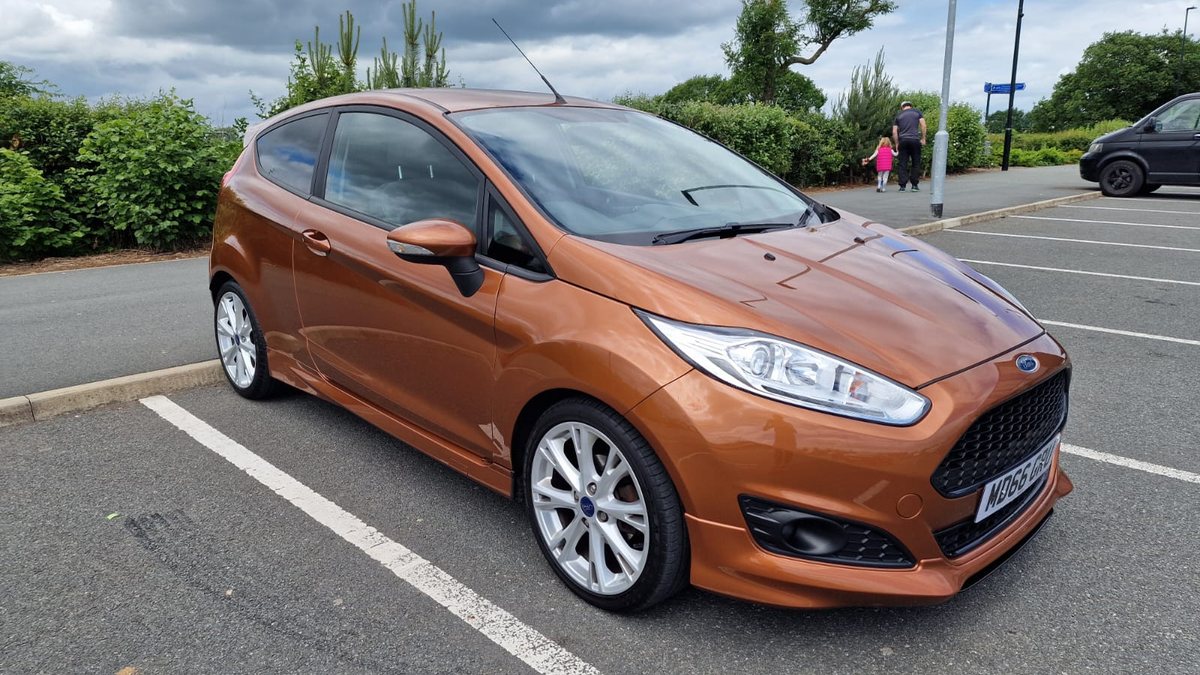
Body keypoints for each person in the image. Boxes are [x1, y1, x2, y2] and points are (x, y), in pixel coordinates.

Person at [891, 101, 927, 192]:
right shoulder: (917, 112)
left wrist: (897, 143)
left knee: (902, 163)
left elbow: (894, 132)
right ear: (911, 106)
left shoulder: (898, 115)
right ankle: (914, 185)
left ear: (902, 107)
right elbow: (923, 125)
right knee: (916, 163)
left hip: (903, 140)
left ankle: (902, 186)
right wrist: (923, 138)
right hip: (915, 140)